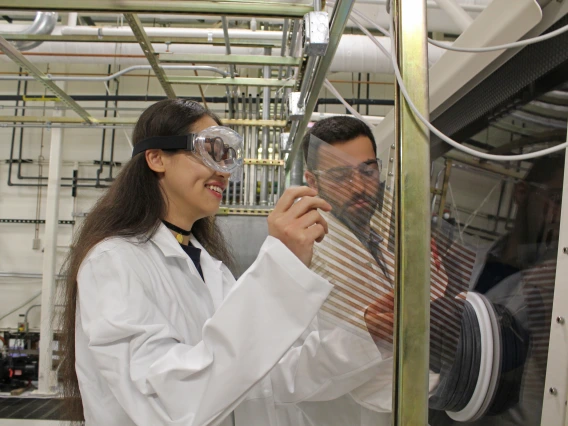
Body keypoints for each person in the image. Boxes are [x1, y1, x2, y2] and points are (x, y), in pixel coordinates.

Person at [59, 98, 341, 426]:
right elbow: (170, 402)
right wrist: (279, 271)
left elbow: (268, 375)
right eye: (208, 151)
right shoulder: (113, 262)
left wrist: (364, 337)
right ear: (156, 158)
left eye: (225, 157)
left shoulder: (210, 267)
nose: (222, 171)